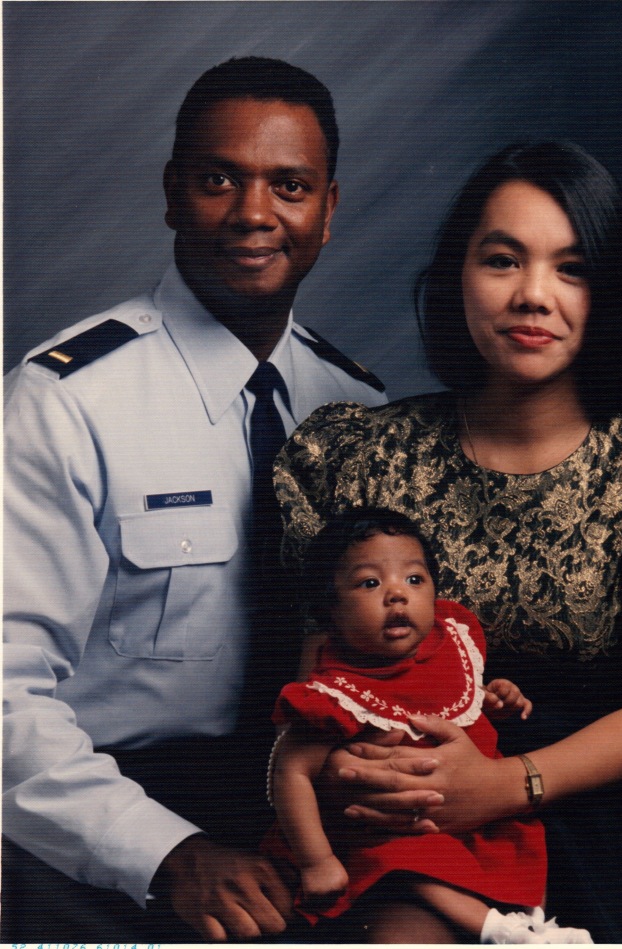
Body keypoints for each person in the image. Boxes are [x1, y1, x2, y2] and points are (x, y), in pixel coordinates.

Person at [274, 141, 622, 943]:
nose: (534, 295)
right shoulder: (357, 458)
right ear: (456, 276)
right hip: (403, 820)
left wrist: (500, 783)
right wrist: (347, 769)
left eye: (571, 268)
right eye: (503, 260)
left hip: (595, 822)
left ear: (611, 291)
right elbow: (320, 678)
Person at [3, 55, 387, 944]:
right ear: (174, 192)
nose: (255, 214)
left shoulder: (360, 409)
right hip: (109, 814)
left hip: (314, 810)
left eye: (289, 185)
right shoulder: (65, 401)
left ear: (329, 211)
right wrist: (164, 853)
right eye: (220, 179)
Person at [266, 507, 592, 943]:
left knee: (515, 856)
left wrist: (494, 702)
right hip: (386, 832)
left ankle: (516, 921)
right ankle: (501, 929)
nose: (397, 594)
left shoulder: (448, 645)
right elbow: (289, 770)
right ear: (330, 612)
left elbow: (460, 710)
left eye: (414, 580)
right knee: (404, 860)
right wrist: (316, 860)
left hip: (480, 817)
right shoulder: (337, 691)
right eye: (370, 583)